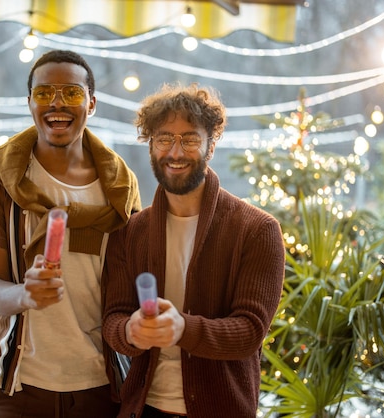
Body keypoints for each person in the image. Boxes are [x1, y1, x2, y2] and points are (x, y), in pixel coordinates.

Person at [0, 49, 142, 418]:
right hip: (15, 385)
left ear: (91, 104)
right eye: (44, 93)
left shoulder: (121, 189)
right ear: (29, 102)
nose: (56, 104)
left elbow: (130, 281)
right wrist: (25, 294)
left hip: (101, 384)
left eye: (72, 93)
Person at [102, 83, 286, 418]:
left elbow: (249, 331)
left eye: (189, 139)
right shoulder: (130, 233)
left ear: (210, 146)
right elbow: (112, 317)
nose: (175, 152)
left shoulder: (257, 230)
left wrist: (183, 329)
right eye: (163, 139)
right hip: (143, 409)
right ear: (151, 146)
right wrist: (130, 331)